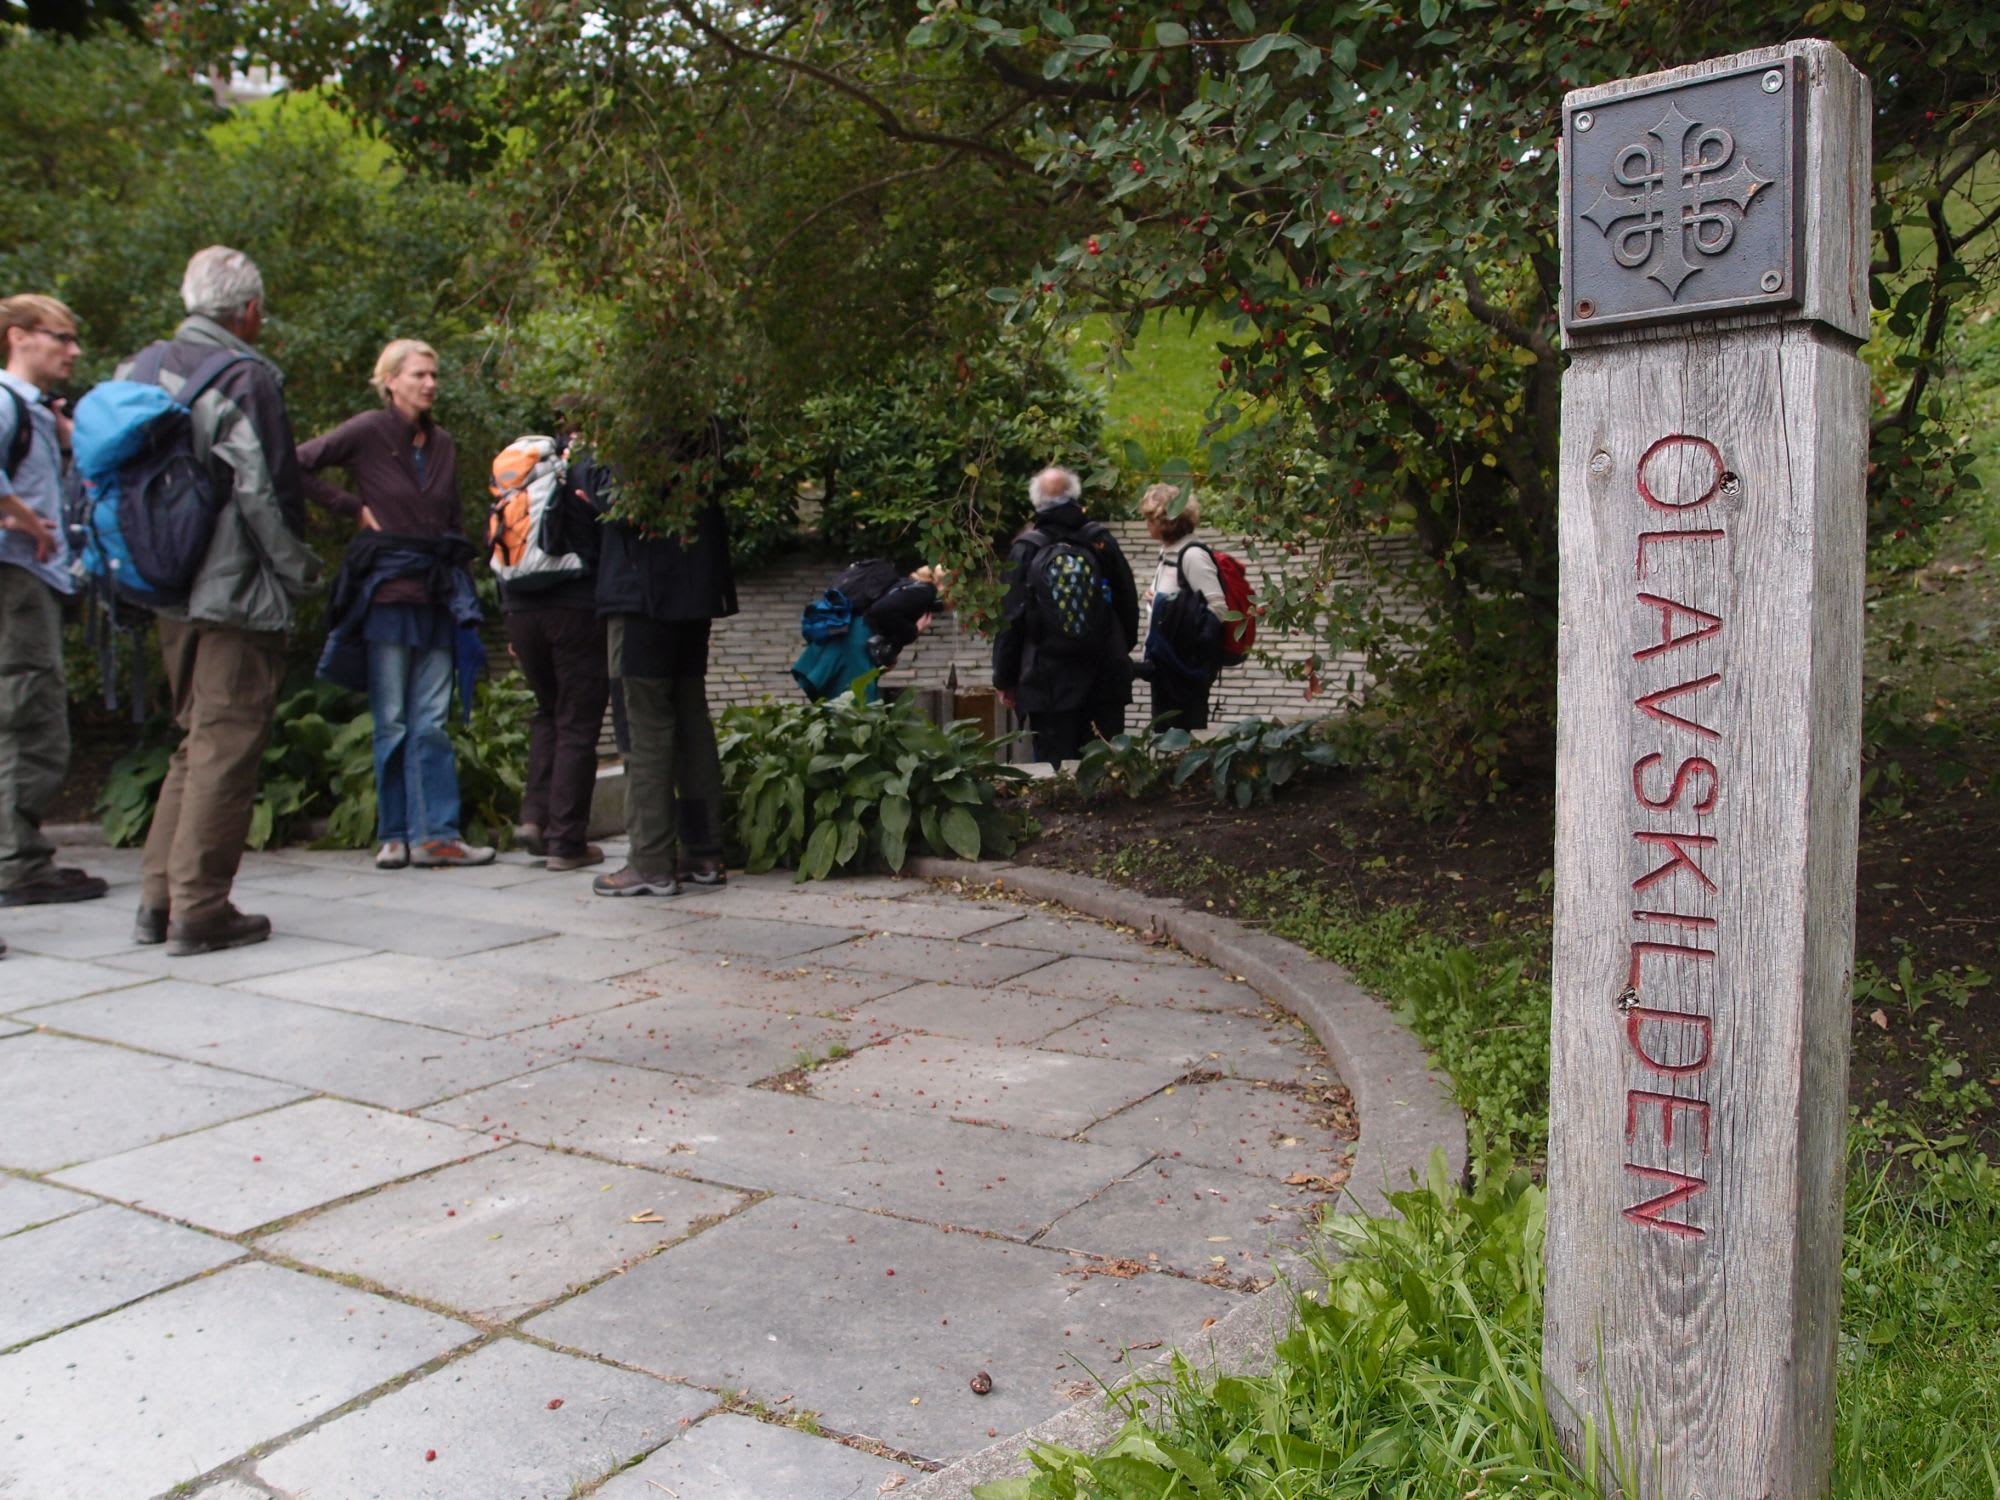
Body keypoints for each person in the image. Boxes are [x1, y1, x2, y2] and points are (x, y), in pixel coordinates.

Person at [126, 248, 323, 954]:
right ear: (247, 311)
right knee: (226, 743)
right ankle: (201, 908)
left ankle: (158, 902)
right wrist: (301, 574)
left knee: (193, 742)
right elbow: (265, 493)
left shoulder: (140, 369)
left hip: (164, 584)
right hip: (233, 588)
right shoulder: (244, 376)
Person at [299, 339, 494, 871]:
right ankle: (394, 834)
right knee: (392, 719)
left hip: (437, 593)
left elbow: (453, 517)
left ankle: (438, 836)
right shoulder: (367, 430)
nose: (429, 383)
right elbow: (295, 465)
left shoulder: (444, 443)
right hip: (386, 591)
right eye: (418, 375)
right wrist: (352, 507)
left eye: (433, 374)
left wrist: (465, 594)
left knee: (431, 720)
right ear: (390, 381)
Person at [581, 428, 738, 896]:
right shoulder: (702, 425)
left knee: (643, 727)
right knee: (691, 721)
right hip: (694, 593)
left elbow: (617, 499)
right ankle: (705, 853)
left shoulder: (630, 425)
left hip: (642, 596)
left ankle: (650, 862)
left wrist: (586, 462)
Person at [0, 294, 106, 911]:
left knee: (30, 708)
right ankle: (17, 864)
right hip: (16, 577)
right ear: (19, 336)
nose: (73, 350)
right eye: (61, 337)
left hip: (29, 579)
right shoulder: (7, 401)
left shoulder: (35, 412)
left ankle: (23, 854)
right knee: (27, 712)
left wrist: (67, 442)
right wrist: (28, 522)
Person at [494, 423, 608, 871]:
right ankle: (566, 841)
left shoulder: (524, 476)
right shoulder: (580, 469)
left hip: (519, 610)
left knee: (548, 712)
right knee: (578, 721)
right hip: (573, 608)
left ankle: (534, 820)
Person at [991, 465, 1138, 767]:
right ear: (1075, 495)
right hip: (1104, 676)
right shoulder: (1101, 542)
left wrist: (1004, 679)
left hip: (1048, 683)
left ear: (1036, 502)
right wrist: (1117, 649)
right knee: (1105, 767)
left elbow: (1012, 618)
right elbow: (1128, 605)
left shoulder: (1027, 548)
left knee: (1054, 772)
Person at [1137, 482, 1226, 731]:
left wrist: (1164, 605)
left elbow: (1218, 607)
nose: (1147, 525)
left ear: (1166, 521)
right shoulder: (1168, 552)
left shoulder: (1192, 555)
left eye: (1150, 519)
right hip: (1167, 665)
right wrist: (1157, 600)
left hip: (1184, 669)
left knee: (1181, 738)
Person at [793, 560, 943, 704]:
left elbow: (886, 622)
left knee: (840, 709)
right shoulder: (926, 592)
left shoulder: (907, 587)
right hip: (854, 645)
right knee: (860, 712)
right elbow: (880, 611)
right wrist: (914, 630)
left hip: (844, 637)